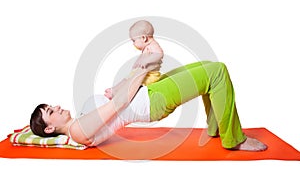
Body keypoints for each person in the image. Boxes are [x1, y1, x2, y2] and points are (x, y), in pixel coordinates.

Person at [30, 61, 267, 151]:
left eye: (52, 106)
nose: (57, 107)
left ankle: (217, 128)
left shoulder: (80, 119)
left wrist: (125, 82)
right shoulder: (78, 130)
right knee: (216, 74)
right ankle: (233, 140)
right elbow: (121, 103)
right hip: (153, 101)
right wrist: (139, 72)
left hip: (148, 93)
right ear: (50, 129)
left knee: (211, 66)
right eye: (51, 112)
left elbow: (115, 100)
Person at [104, 20, 164, 99]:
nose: (133, 44)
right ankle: (114, 90)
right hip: (142, 73)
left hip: (150, 76)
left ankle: (120, 94)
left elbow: (159, 54)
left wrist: (147, 61)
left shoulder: (153, 45)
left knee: (131, 82)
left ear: (143, 38)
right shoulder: (147, 46)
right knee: (126, 79)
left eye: (134, 41)